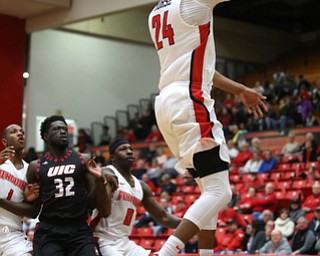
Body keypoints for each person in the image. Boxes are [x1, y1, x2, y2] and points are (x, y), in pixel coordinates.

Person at [148, 0, 268, 254]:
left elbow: (203, 66)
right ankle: (166, 252)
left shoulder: (156, 12)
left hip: (165, 103)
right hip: (189, 99)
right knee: (221, 192)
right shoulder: (195, 2)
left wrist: (239, 89)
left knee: (209, 190)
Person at [26, 115, 117, 256]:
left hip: (78, 230)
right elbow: (33, 212)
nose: (63, 132)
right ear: (46, 136)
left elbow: (92, 204)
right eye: (57, 129)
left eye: (64, 129)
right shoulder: (35, 166)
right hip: (49, 232)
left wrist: (100, 180)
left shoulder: (83, 159)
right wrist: (29, 199)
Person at [89, 137, 181, 256]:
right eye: (123, 149)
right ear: (112, 157)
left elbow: (164, 217)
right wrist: (103, 178)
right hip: (103, 240)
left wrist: (191, 224)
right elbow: (103, 209)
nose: (129, 151)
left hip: (124, 241)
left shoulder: (141, 186)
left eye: (131, 149)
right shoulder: (108, 173)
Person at [0, 124, 39, 255]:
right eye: (14, 132)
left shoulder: (30, 171)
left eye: (22, 132)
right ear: (4, 141)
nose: (20, 133)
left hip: (11, 234)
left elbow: (33, 212)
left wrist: (28, 201)